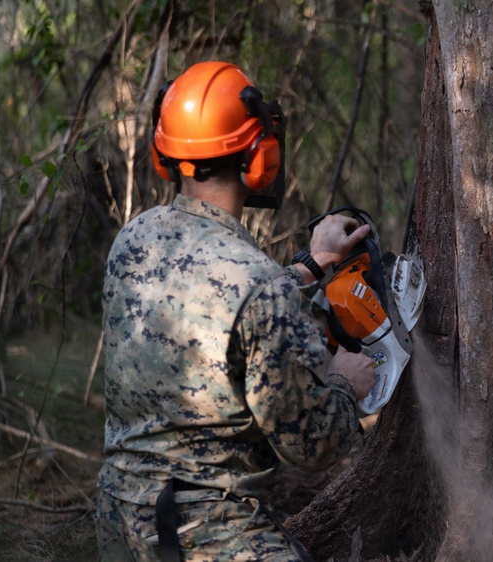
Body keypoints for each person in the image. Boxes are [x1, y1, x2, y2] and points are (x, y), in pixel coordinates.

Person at [95, 61, 375, 561]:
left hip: (120, 519)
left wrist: (310, 267)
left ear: (167, 158)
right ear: (258, 159)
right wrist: (345, 385)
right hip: (204, 535)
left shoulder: (132, 240)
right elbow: (311, 447)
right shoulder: (259, 286)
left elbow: (214, 300)